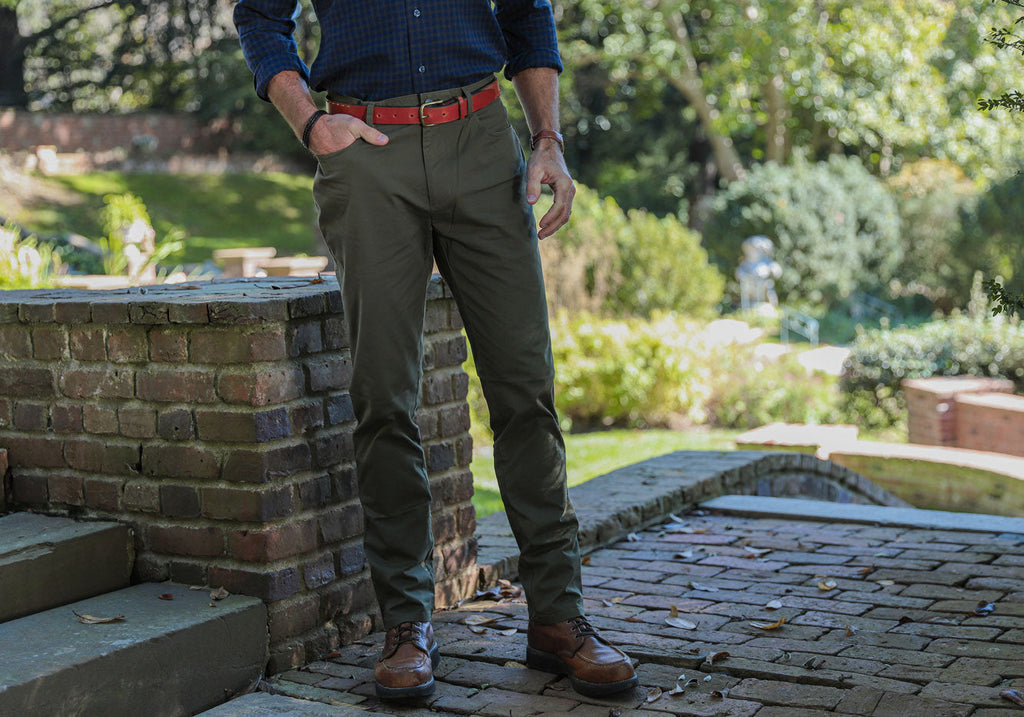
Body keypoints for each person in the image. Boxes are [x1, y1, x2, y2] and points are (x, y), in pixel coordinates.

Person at [233, 0, 638, 701]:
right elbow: (261, 17)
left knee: (526, 392)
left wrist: (548, 139)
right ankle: (407, 624)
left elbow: (527, 12)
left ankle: (557, 617)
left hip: (482, 143)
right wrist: (310, 123)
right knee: (384, 399)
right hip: (366, 151)